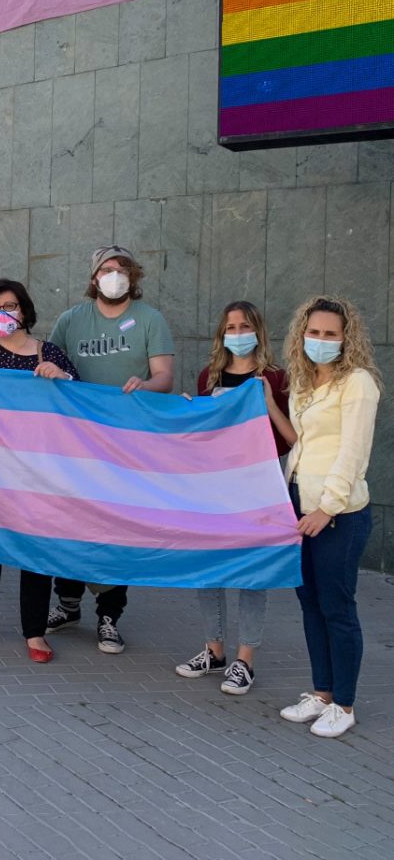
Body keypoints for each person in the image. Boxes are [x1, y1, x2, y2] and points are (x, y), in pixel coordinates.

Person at [47, 245, 175, 654]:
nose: (113, 275)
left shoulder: (150, 320)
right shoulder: (72, 320)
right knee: (69, 521)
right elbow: (51, 367)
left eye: (121, 269)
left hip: (127, 444)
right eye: (105, 269)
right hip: (78, 443)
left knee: (113, 526)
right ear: (93, 277)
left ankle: (109, 615)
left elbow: (165, 377)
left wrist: (146, 385)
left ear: (133, 276)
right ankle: (67, 604)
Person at [0, 279, 78, 663]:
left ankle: (35, 632)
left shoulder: (49, 353)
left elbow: (80, 406)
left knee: (35, 551)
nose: (5, 313)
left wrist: (63, 378)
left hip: (39, 472)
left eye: (12, 305)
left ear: (25, 309)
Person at [174, 301, 292, 694]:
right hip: (213, 487)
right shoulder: (209, 376)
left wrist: (268, 403)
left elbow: (290, 436)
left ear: (258, 330)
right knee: (209, 567)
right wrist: (192, 412)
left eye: (245, 326)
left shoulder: (275, 378)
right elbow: (203, 435)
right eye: (231, 327)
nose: (238, 333)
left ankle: (245, 659)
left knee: (251, 571)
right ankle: (214, 649)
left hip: (259, 486)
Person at [278, 296, 381, 738]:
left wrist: (327, 506)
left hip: (338, 513)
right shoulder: (304, 381)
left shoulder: (357, 383)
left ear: (346, 338)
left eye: (330, 334)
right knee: (309, 604)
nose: (320, 340)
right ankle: (321, 693)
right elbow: (301, 443)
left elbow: (353, 452)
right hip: (299, 502)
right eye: (314, 332)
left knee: (337, 607)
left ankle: (345, 703)